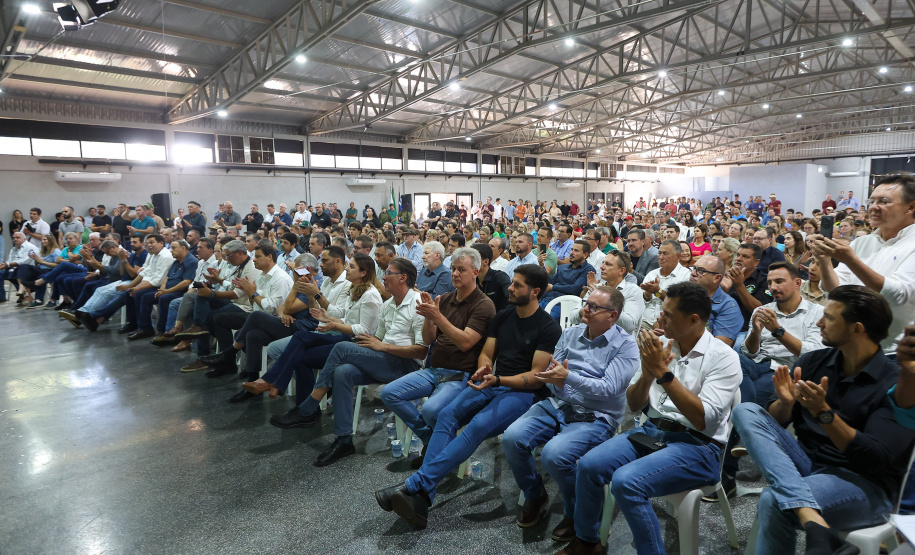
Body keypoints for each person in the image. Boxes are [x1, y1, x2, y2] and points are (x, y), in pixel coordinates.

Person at [374, 264, 561, 529]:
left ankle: (415, 485)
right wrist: (485, 366)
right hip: (493, 382)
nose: (510, 287)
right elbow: (487, 352)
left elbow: (535, 377)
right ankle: (423, 497)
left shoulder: (547, 327)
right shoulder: (504, 317)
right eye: (513, 283)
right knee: (447, 415)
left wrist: (496, 379)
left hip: (523, 392)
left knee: (476, 427)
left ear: (535, 292)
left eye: (517, 285)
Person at [733, 285, 915, 555]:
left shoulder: (894, 381)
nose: (819, 322)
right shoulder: (813, 362)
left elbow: (874, 459)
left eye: (829, 318)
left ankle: (808, 515)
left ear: (857, 328)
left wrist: (824, 413)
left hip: (864, 484)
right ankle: (813, 519)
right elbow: (778, 424)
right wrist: (786, 403)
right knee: (746, 410)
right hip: (809, 465)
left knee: (773, 499)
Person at [563, 282, 741, 554]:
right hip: (651, 432)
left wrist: (662, 372)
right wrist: (647, 376)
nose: (660, 318)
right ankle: (587, 542)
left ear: (693, 320)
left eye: (668, 314)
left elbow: (702, 419)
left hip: (699, 446)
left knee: (626, 482)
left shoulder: (723, 357)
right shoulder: (658, 345)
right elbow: (633, 405)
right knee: (589, 465)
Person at [502, 286, 640, 532]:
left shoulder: (626, 346)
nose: (586, 309)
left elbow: (608, 389)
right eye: (587, 303)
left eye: (594, 307)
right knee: (512, 438)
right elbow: (554, 372)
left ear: (613, 316)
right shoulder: (571, 333)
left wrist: (568, 378)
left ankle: (578, 512)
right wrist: (557, 382)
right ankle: (535, 494)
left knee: (554, 455)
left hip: (595, 415)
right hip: (558, 403)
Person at [271, 257, 427, 467]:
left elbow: (422, 351)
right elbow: (375, 338)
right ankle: (344, 440)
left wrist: (383, 347)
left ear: (403, 278)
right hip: (383, 360)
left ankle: (310, 404)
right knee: (343, 371)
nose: (384, 277)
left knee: (342, 347)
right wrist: (369, 342)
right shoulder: (389, 304)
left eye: (389, 273)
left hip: (406, 366)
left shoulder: (418, 303)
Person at [380, 247, 496, 468]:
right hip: (434, 370)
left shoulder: (483, 304)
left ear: (475, 271)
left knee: (432, 410)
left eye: (461, 269)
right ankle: (432, 441)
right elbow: (428, 338)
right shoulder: (446, 299)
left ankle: (436, 451)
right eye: (453, 269)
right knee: (389, 393)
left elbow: (465, 343)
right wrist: (428, 316)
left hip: (460, 374)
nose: (455, 274)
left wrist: (437, 316)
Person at [813, 173, 915, 354]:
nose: (874, 207)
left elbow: (897, 295)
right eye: (872, 201)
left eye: (884, 201)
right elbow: (835, 290)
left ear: (911, 207)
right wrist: (824, 261)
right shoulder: (863, 242)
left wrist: (851, 260)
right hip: (852, 345)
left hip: (894, 351)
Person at [128, 240, 198, 341]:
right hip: (169, 290)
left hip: (181, 292)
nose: (171, 251)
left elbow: (187, 282)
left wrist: (167, 291)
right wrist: (163, 289)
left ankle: (163, 329)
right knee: (144, 296)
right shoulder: (176, 261)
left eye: (174, 248)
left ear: (183, 248)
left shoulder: (191, 261)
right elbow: (167, 278)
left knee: (164, 298)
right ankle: (145, 328)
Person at [577, 251, 644, 334]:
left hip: (617, 342)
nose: (601, 267)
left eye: (608, 264)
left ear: (621, 271)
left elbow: (630, 325)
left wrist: (604, 302)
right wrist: (586, 309)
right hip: (589, 336)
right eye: (603, 263)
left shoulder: (633, 290)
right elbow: (573, 316)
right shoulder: (596, 288)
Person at [722, 243, 773, 348]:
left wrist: (740, 286)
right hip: (723, 323)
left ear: (756, 262)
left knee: (737, 348)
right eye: (738, 255)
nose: (739, 259)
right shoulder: (726, 276)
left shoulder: (764, 280)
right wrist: (723, 291)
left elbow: (759, 310)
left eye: (745, 256)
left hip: (746, 328)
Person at [688, 255, 742, 347]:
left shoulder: (728, 306)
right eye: (694, 268)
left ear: (716, 278)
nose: (693, 273)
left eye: (700, 271)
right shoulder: (683, 295)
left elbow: (719, 347)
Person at [638, 240, 691, 331]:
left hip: (671, 324)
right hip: (645, 322)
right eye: (659, 253)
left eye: (665, 254)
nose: (661, 257)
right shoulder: (652, 274)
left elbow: (679, 304)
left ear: (678, 256)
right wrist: (647, 294)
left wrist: (658, 292)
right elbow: (642, 302)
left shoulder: (686, 275)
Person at [540, 240, 594, 315]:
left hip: (564, 305)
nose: (571, 253)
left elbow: (575, 289)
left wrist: (553, 287)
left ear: (585, 255)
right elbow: (550, 284)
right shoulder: (562, 267)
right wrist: (542, 267)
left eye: (576, 251)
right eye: (571, 249)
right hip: (548, 299)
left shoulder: (588, 270)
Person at [471, 243, 511, 312]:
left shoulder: (501, 277)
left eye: (473, 259)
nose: (470, 262)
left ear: (486, 261)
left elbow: (512, 298)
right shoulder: (471, 279)